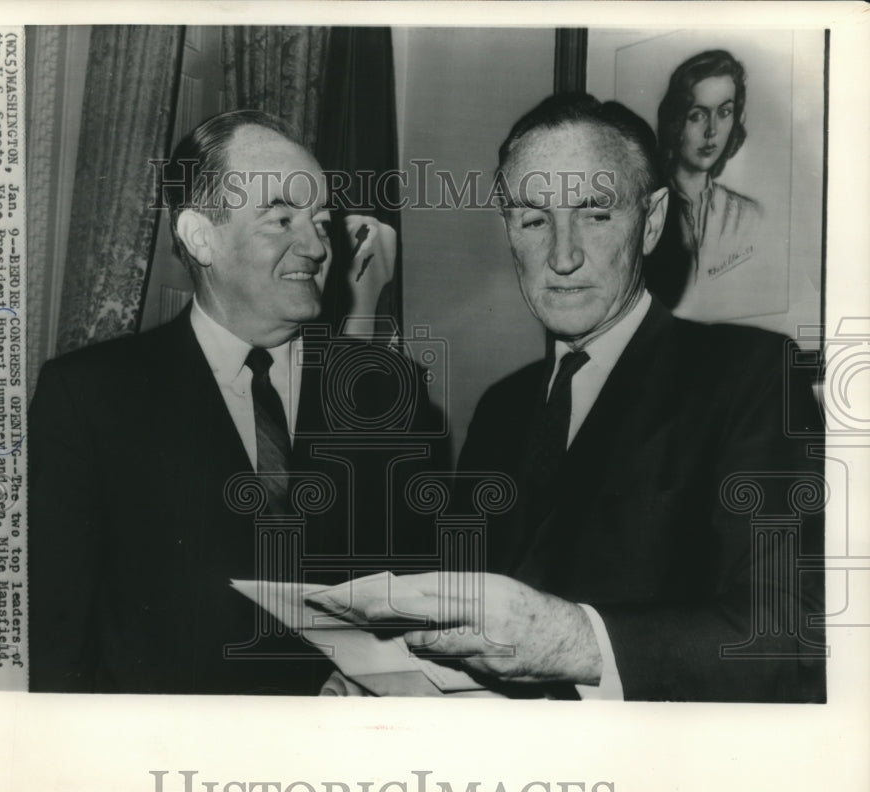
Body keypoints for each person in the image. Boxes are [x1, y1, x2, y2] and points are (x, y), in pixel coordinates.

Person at [317, 93, 824, 702]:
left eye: (596, 214)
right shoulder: (502, 409)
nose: (562, 256)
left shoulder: (753, 376)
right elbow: (461, 624)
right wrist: (386, 675)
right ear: (508, 230)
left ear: (654, 220)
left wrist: (578, 641)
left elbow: (790, 637)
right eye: (534, 220)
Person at [27, 110, 440, 694]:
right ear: (202, 236)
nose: (317, 246)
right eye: (281, 219)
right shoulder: (91, 397)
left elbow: (424, 594)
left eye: (321, 220)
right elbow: (55, 639)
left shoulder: (386, 391)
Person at [647, 49, 763, 311]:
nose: (712, 130)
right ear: (676, 121)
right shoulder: (648, 209)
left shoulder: (748, 216)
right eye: (697, 115)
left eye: (724, 112)